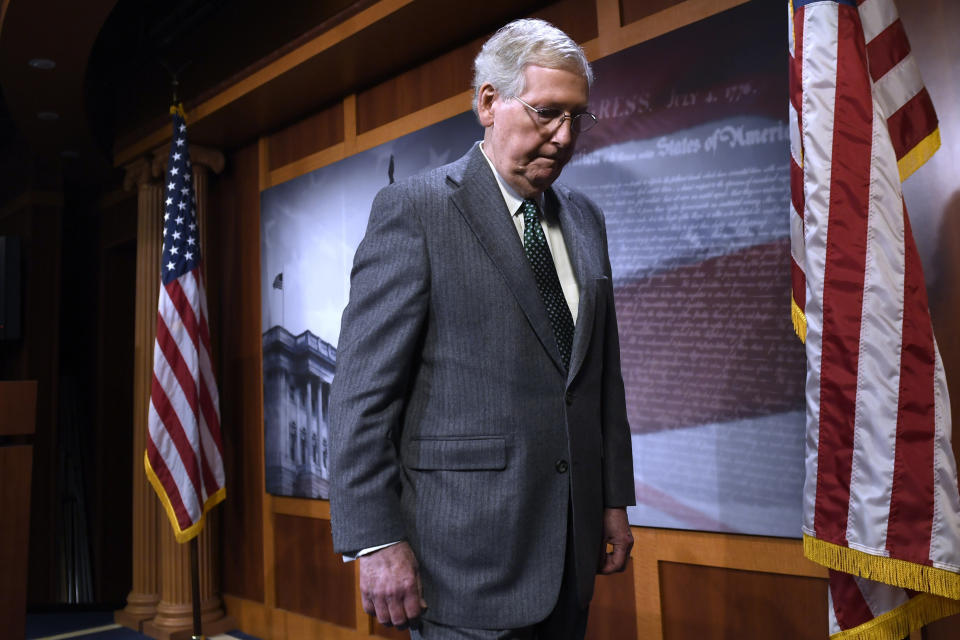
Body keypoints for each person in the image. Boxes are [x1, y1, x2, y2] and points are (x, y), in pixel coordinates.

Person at [329, 18, 636, 639]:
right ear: (489, 102)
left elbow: (600, 378)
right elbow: (361, 396)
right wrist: (374, 540)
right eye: (549, 112)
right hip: (459, 563)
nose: (565, 136)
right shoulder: (414, 211)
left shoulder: (586, 220)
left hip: (571, 552)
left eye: (579, 118)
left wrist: (612, 500)